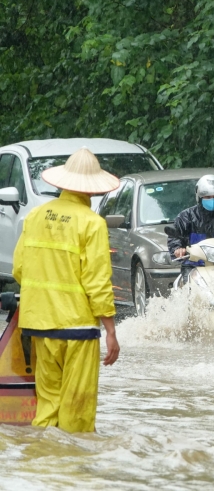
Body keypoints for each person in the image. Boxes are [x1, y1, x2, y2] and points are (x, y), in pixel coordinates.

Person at [12, 148, 120, 433]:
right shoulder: (92, 224)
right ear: (92, 190)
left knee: (48, 407)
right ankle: (74, 472)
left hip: (39, 327)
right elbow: (97, 282)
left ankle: (45, 467)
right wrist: (110, 330)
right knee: (77, 412)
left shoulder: (35, 216)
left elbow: (19, 270)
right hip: (78, 330)